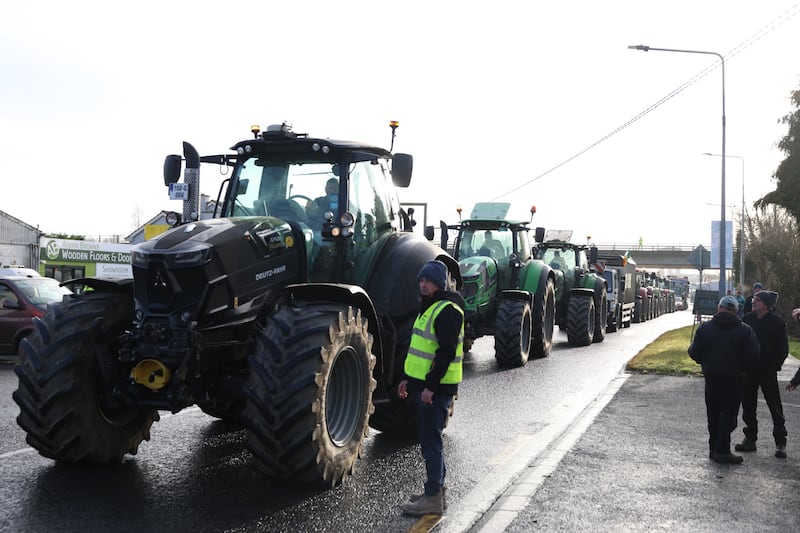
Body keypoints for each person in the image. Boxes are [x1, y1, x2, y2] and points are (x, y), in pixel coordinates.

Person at [398, 260, 465, 516]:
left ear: (438, 283)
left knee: (431, 443)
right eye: (421, 280)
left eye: (427, 281)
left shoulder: (447, 310)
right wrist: (409, 380)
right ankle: (436, 492)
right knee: (430, 441)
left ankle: (433, 497)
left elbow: (445, 353)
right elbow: (421, 353)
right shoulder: (431, 308)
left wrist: (430, 388)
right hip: (426, 387)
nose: (422, 284)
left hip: (436, 390)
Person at [688, 295, 760, 464]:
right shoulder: (745, 330)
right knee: (729, 415)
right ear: (736, 311)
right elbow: (753, 356)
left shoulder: (705, 329)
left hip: (712, 378)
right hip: (734, 379)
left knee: (712, 414)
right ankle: (722, 449)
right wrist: (743, 370)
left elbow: (694, 352)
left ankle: (714, 448)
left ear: (719, 308)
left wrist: (705, 362)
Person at [737, 290, 789, 457]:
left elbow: (783, 349)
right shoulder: (747, 319)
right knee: (748, 406)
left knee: (775, 407)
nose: (753, 301)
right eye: (753, 299)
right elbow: (739, 343)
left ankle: (780, 442)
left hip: (767, 371)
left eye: (757, 300)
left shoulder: (777, 322)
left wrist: (775, 366)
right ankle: (750, 439)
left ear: (766, 305)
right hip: (749, 371)